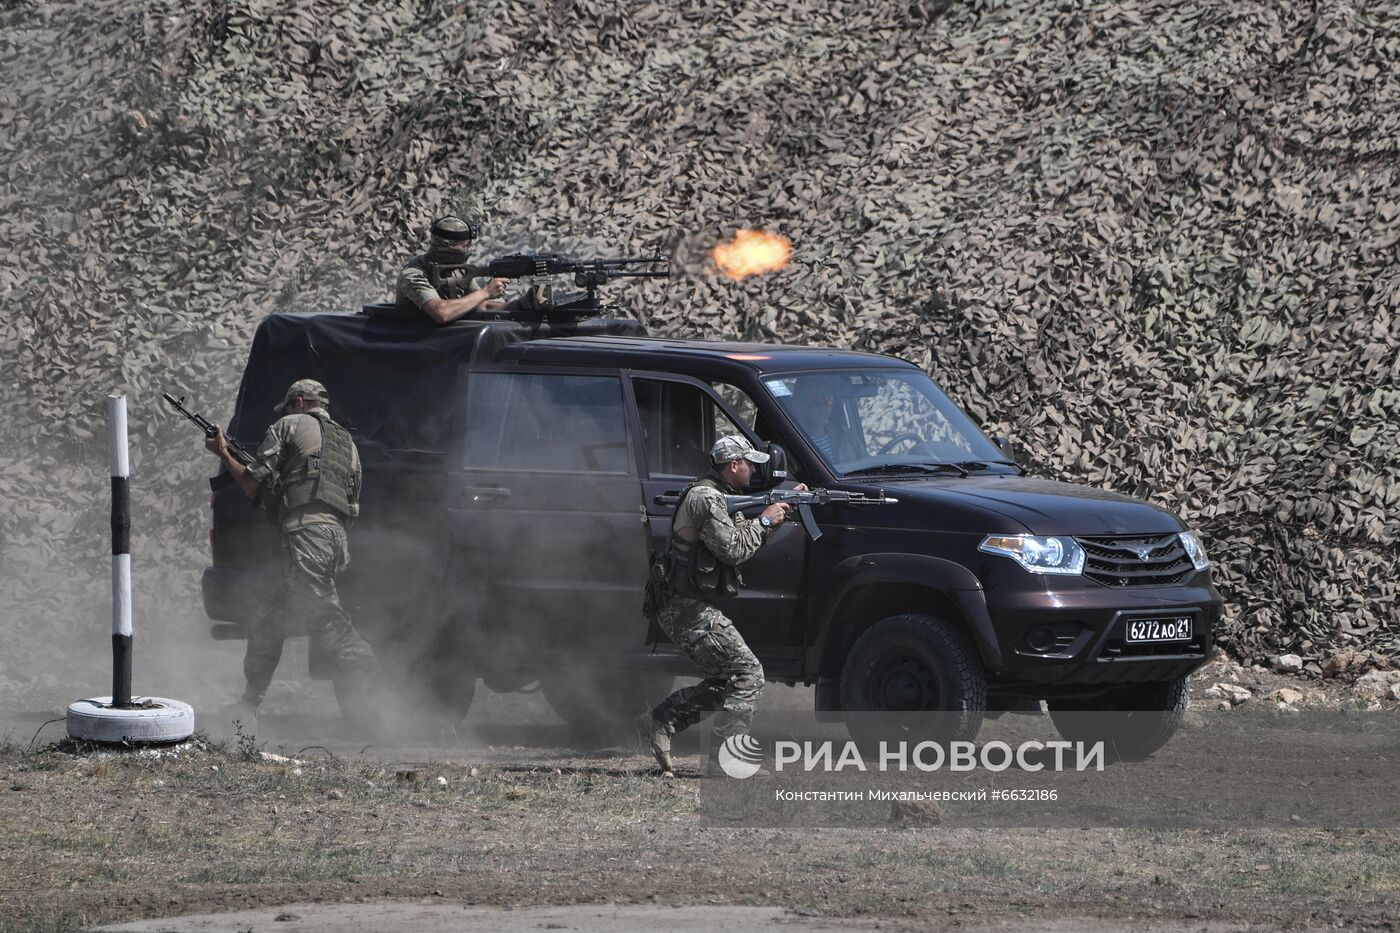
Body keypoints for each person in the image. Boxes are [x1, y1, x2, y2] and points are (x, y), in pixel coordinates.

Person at [204, 379, 383, 721]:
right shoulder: (348, 445)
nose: (285, 412)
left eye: (288, 406)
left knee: (329, 624)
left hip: (307, 540)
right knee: (266, 623)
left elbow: (251, 483)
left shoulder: (289, 425)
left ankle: (386, 700)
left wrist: (223, 452)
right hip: (332, 541)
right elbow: (351, 507)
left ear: (299, 403)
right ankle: (248, 706)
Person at [636, 435, 805, 776]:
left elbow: (745, 540)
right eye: (749, 463)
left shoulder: (719, 497)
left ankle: (659, 721)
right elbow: (734, 551)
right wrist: (767, 519)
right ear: (734, 465)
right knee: (747, 673)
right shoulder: (707, 499)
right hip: (687, 609)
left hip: (689, 606)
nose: (755, 468)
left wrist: (780, 513)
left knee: (728, 680)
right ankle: (725, 762)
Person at [395, 216, 513, 324]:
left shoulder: (459, 268)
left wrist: (519, 305)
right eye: (465, 245)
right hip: (417, 340)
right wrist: (486, 292)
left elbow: (482, 307)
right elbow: (441, 313)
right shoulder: (413, 274)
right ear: (448, 246)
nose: (468, 249)